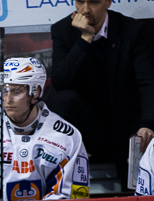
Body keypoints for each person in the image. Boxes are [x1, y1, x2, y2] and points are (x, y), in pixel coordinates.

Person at [47, 0, 154, 190]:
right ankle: (60, 189)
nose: (86, 9)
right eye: (80, 2)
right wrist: (84, 39)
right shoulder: (62, 30)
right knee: (63, 99)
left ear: (108, 2)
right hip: (86, 126)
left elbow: (148, 82)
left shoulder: (132, 30)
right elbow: (60, 82)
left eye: (94, 2)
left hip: (126, 123)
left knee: (135, 183)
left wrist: (147, 124)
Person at [0, 58, 89, 201]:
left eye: (16, 91)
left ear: (36, 92)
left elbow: (68, 195)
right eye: (4, 91)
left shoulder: (66, 137)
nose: (7, 99)